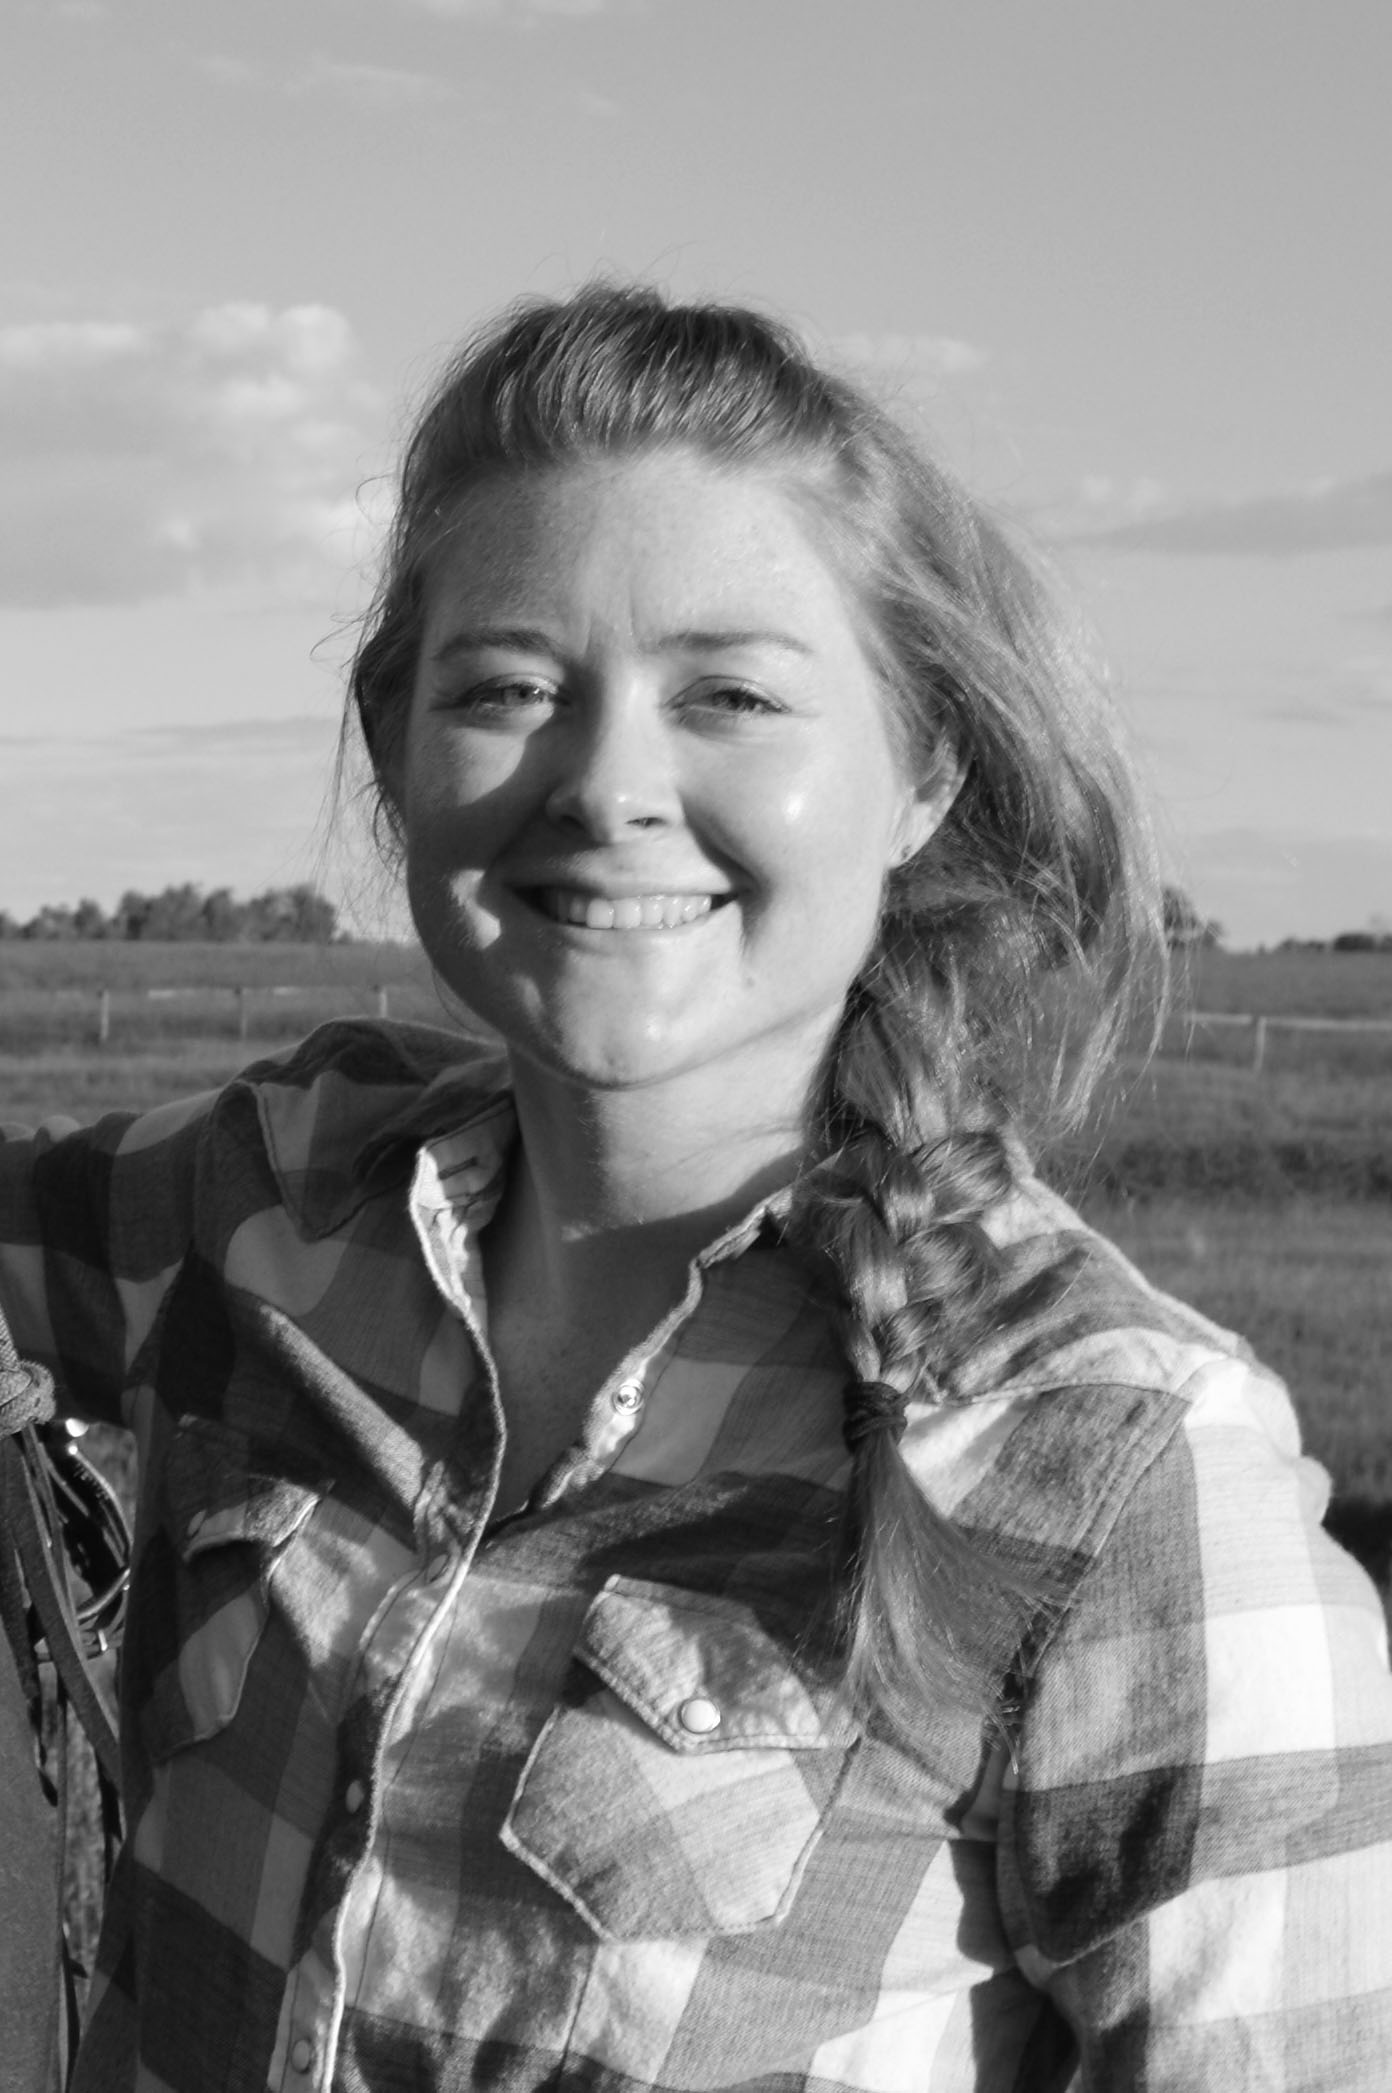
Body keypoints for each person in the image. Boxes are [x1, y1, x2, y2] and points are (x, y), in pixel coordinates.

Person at [1, 282, 1389, 2093]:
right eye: (506, 689)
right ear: (399, 754)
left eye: (728, 692)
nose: (607, 782)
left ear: (920, 775)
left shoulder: (1116, 1471)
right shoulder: (262, 1200)